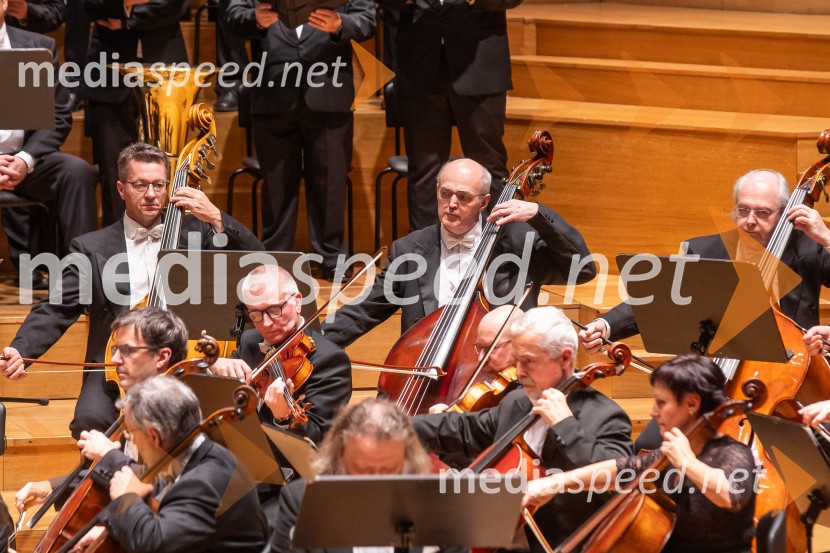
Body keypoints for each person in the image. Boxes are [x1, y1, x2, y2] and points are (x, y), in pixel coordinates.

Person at [0, 143, 263, 439]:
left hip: (186, 359)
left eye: (158, 185)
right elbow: (57, 308)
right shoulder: (90, 248)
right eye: (140, 185)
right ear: (121, 189)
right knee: (89, 422)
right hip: (116, 364)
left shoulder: (196, 233)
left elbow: (260, 265)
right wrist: (22, 350)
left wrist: (217, 218)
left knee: (214, 423)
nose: (151, 194)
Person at [580, 168, 830, 450]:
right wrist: (606, 325)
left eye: (763, 213)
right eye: (743, 210)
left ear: (785, 213)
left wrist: (826, 238)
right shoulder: (706, 250)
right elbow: (658, 299)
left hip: (784, 384)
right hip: (713, 380)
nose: (750, 220)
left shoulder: (810, 251)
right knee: (648, 446)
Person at [413, 306, 633, 550]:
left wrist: (565, 425)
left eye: (528, 361)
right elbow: (462, 429)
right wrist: (396, 427)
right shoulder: (517, 402)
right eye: (517, 360)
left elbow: (621, 482)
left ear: (565, 358)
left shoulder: (604, 415)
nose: (518, 372)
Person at [322, 158, 596, 348]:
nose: (452, 203)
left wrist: (539, 214)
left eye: (463, 197)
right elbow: (365, 311)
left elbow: (582, 270)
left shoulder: (517, 242)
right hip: (425, 369)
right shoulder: (409, 249)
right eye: (446, 194)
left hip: (500, 376)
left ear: (484, 203)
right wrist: (311, 341)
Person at [523, 354, 756, 553]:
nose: (653, 412)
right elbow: (619, 469)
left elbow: (730, 495)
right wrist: (554, 484)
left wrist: (687, 461)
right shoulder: (668, 457)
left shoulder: (734, 454)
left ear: (692, 404)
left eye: (661, 402)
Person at [225, 0, 375, 281]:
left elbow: (367, 19)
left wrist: (340, 23)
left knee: (330, 183)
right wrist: (255, 18)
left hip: (329, 94)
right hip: (273, 97)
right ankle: (275, 258)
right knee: (276, 187)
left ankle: (332, 257)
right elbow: (233, 16)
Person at [14, 306, 189, 515]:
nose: (114, 360)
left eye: (127, 350)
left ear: (162, 357)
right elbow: (126, 472)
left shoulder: (177, 413)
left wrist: (108, 454)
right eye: (115, 350)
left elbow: (164, 490)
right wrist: (51, 487)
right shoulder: (140, 406)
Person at [73, 375, 268, 552]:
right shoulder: (188, 455)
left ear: (154, 436)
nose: (132, 442)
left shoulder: (204, 482)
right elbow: (161, 511)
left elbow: (155, 545)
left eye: (130, 433)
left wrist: (127, 499)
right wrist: (111, 531)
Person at [377, 0, 520, 233]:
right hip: (419, 65)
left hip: (480, 65)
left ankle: (497, 247)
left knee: (489, 166)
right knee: (424, 170)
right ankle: (425, 251)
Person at [0, 0, 98, 282]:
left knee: (76, 171)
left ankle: (80, 281)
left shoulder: (38, 47)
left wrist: (25, 159)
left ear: (4, 3)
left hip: (23, 162)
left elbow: (58, 116)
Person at [269, 398, 443, 553]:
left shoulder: (436, 503)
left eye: (389, 469)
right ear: (339, 454)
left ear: (407, 458)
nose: (376, 483)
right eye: (363, 468)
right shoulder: (302, 501)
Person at [213, 264, 352, 445]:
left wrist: (284, 417)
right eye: (255, 314)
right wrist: (213, 365)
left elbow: (319, 441)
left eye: (274, 310)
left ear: (297, 302)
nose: (266, 323)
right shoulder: (250, 341)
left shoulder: (331, 360)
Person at [81, 0, 190, 226]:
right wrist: (127, 4)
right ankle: (118, 245)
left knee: (168, 170)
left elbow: (173, 5)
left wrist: (127, 19)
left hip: (164, 71)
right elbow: (91, 4)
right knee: (114, 174)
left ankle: (168, 242)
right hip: (109, 75)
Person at [428, 303, 523, 414]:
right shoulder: (489, 390)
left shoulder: (534, 392)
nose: (481, 359)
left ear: (520, 342)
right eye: (479, 348)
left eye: (490, 348)